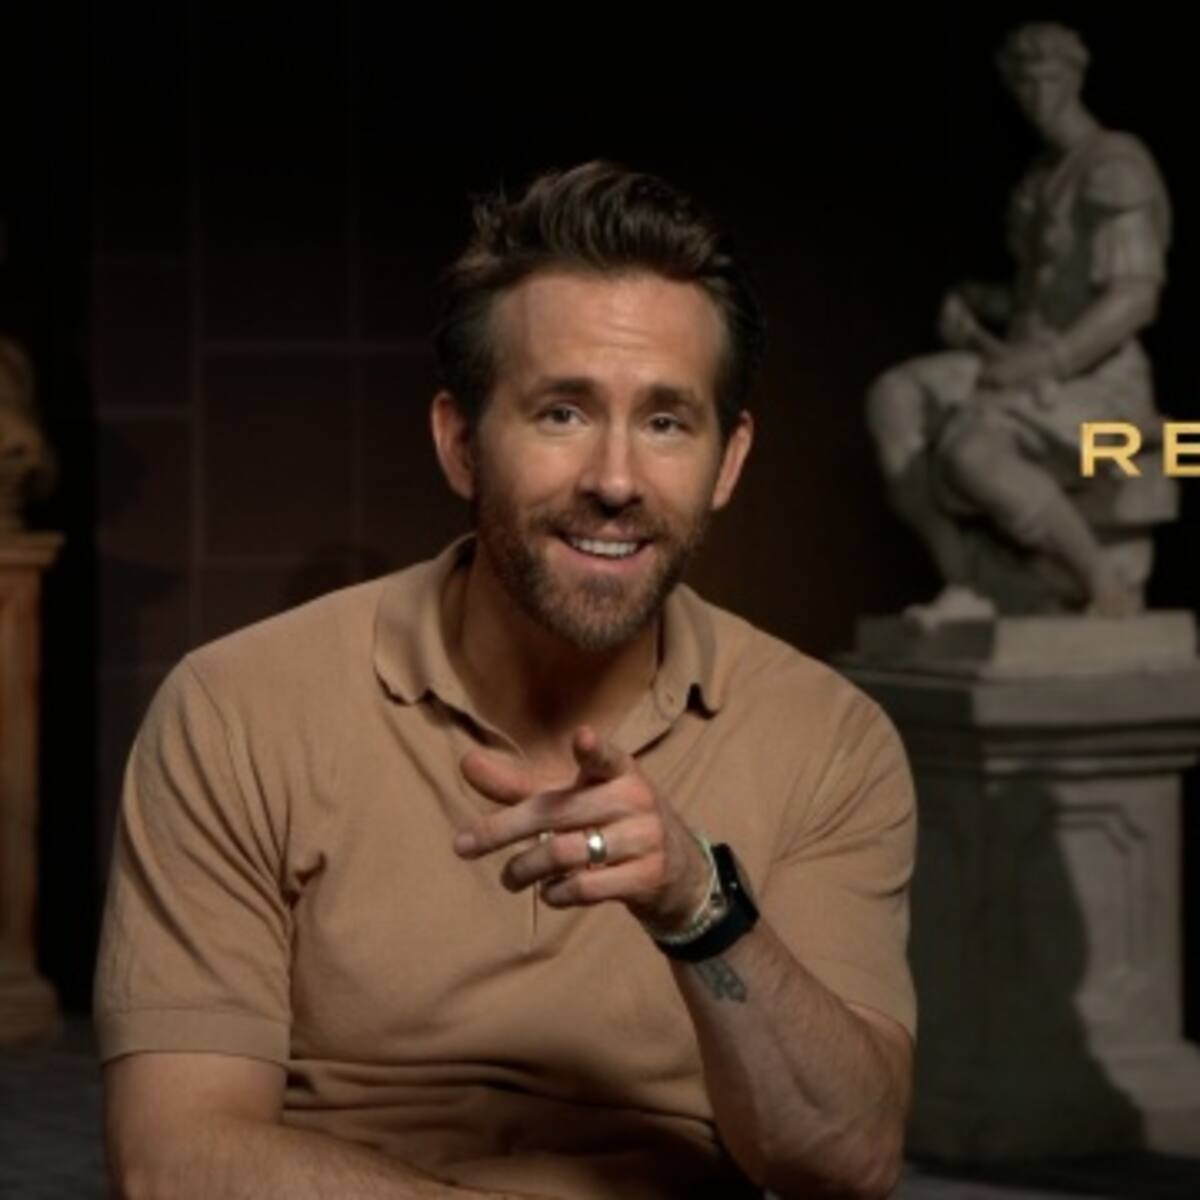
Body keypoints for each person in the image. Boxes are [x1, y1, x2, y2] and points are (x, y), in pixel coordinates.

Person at [96, 162, 915, 1200]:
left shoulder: (831, 740)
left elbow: (845, 1161)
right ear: (460, 443)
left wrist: (699, 906)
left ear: (729, 459)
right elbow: (172, 1161)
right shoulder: (236, 709)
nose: (615, 480)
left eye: (666, 421)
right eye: (561, 413)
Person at [866, 22, 1172, 624]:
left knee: (971, 451)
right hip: (1023, 362)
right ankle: (968, 580)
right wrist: (980, 303)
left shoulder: (1116, 167)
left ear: (1075, 78)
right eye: (1022, 82)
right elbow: (1041, 297)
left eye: (1047, 78)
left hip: (1096, 380)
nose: (1034, 94)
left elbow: (1135, 297)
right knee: (894, 396)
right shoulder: (1040, 179)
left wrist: (1046, 361)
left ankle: (1103, 583)